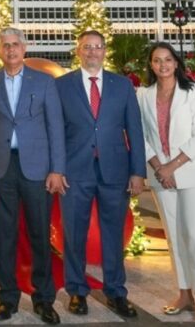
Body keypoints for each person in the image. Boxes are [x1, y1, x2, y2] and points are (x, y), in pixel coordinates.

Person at [0, 28, 65, 325]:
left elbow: (56, 128)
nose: (11, 50)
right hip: (2, 168)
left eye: (15, 45)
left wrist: (57, 169)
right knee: (5, 236)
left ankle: (43, 299)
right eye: (5, 46)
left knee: (40, 234)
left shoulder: (44, 82)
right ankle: (7, 298)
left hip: (38, 169)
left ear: (24, 48)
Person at [55, 31, 146, 318]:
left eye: (97, 47)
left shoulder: (122, 86)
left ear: (104, 51)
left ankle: (116, 292)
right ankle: (77, 292)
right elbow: (55, 132)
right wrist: (56, 169)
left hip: (115, 170)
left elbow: (135, 130)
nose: (93, 52)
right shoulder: (62, 85)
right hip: (74, 170)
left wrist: (138, 171)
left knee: (113, 234)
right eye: (87, 47)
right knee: (74, 234)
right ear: (78, 51)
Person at [136, 42, 195, 325]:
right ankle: (184, 295)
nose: (163, 65)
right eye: (157, 60)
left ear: (177, 63)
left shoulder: (193, 91)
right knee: (173, 236)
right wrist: (160, 167)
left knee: (194, 236)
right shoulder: (142, 95)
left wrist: (173, 165)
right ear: (151, 65)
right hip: (160, 174)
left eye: (168, 59)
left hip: (192, 171)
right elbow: (141, 135)